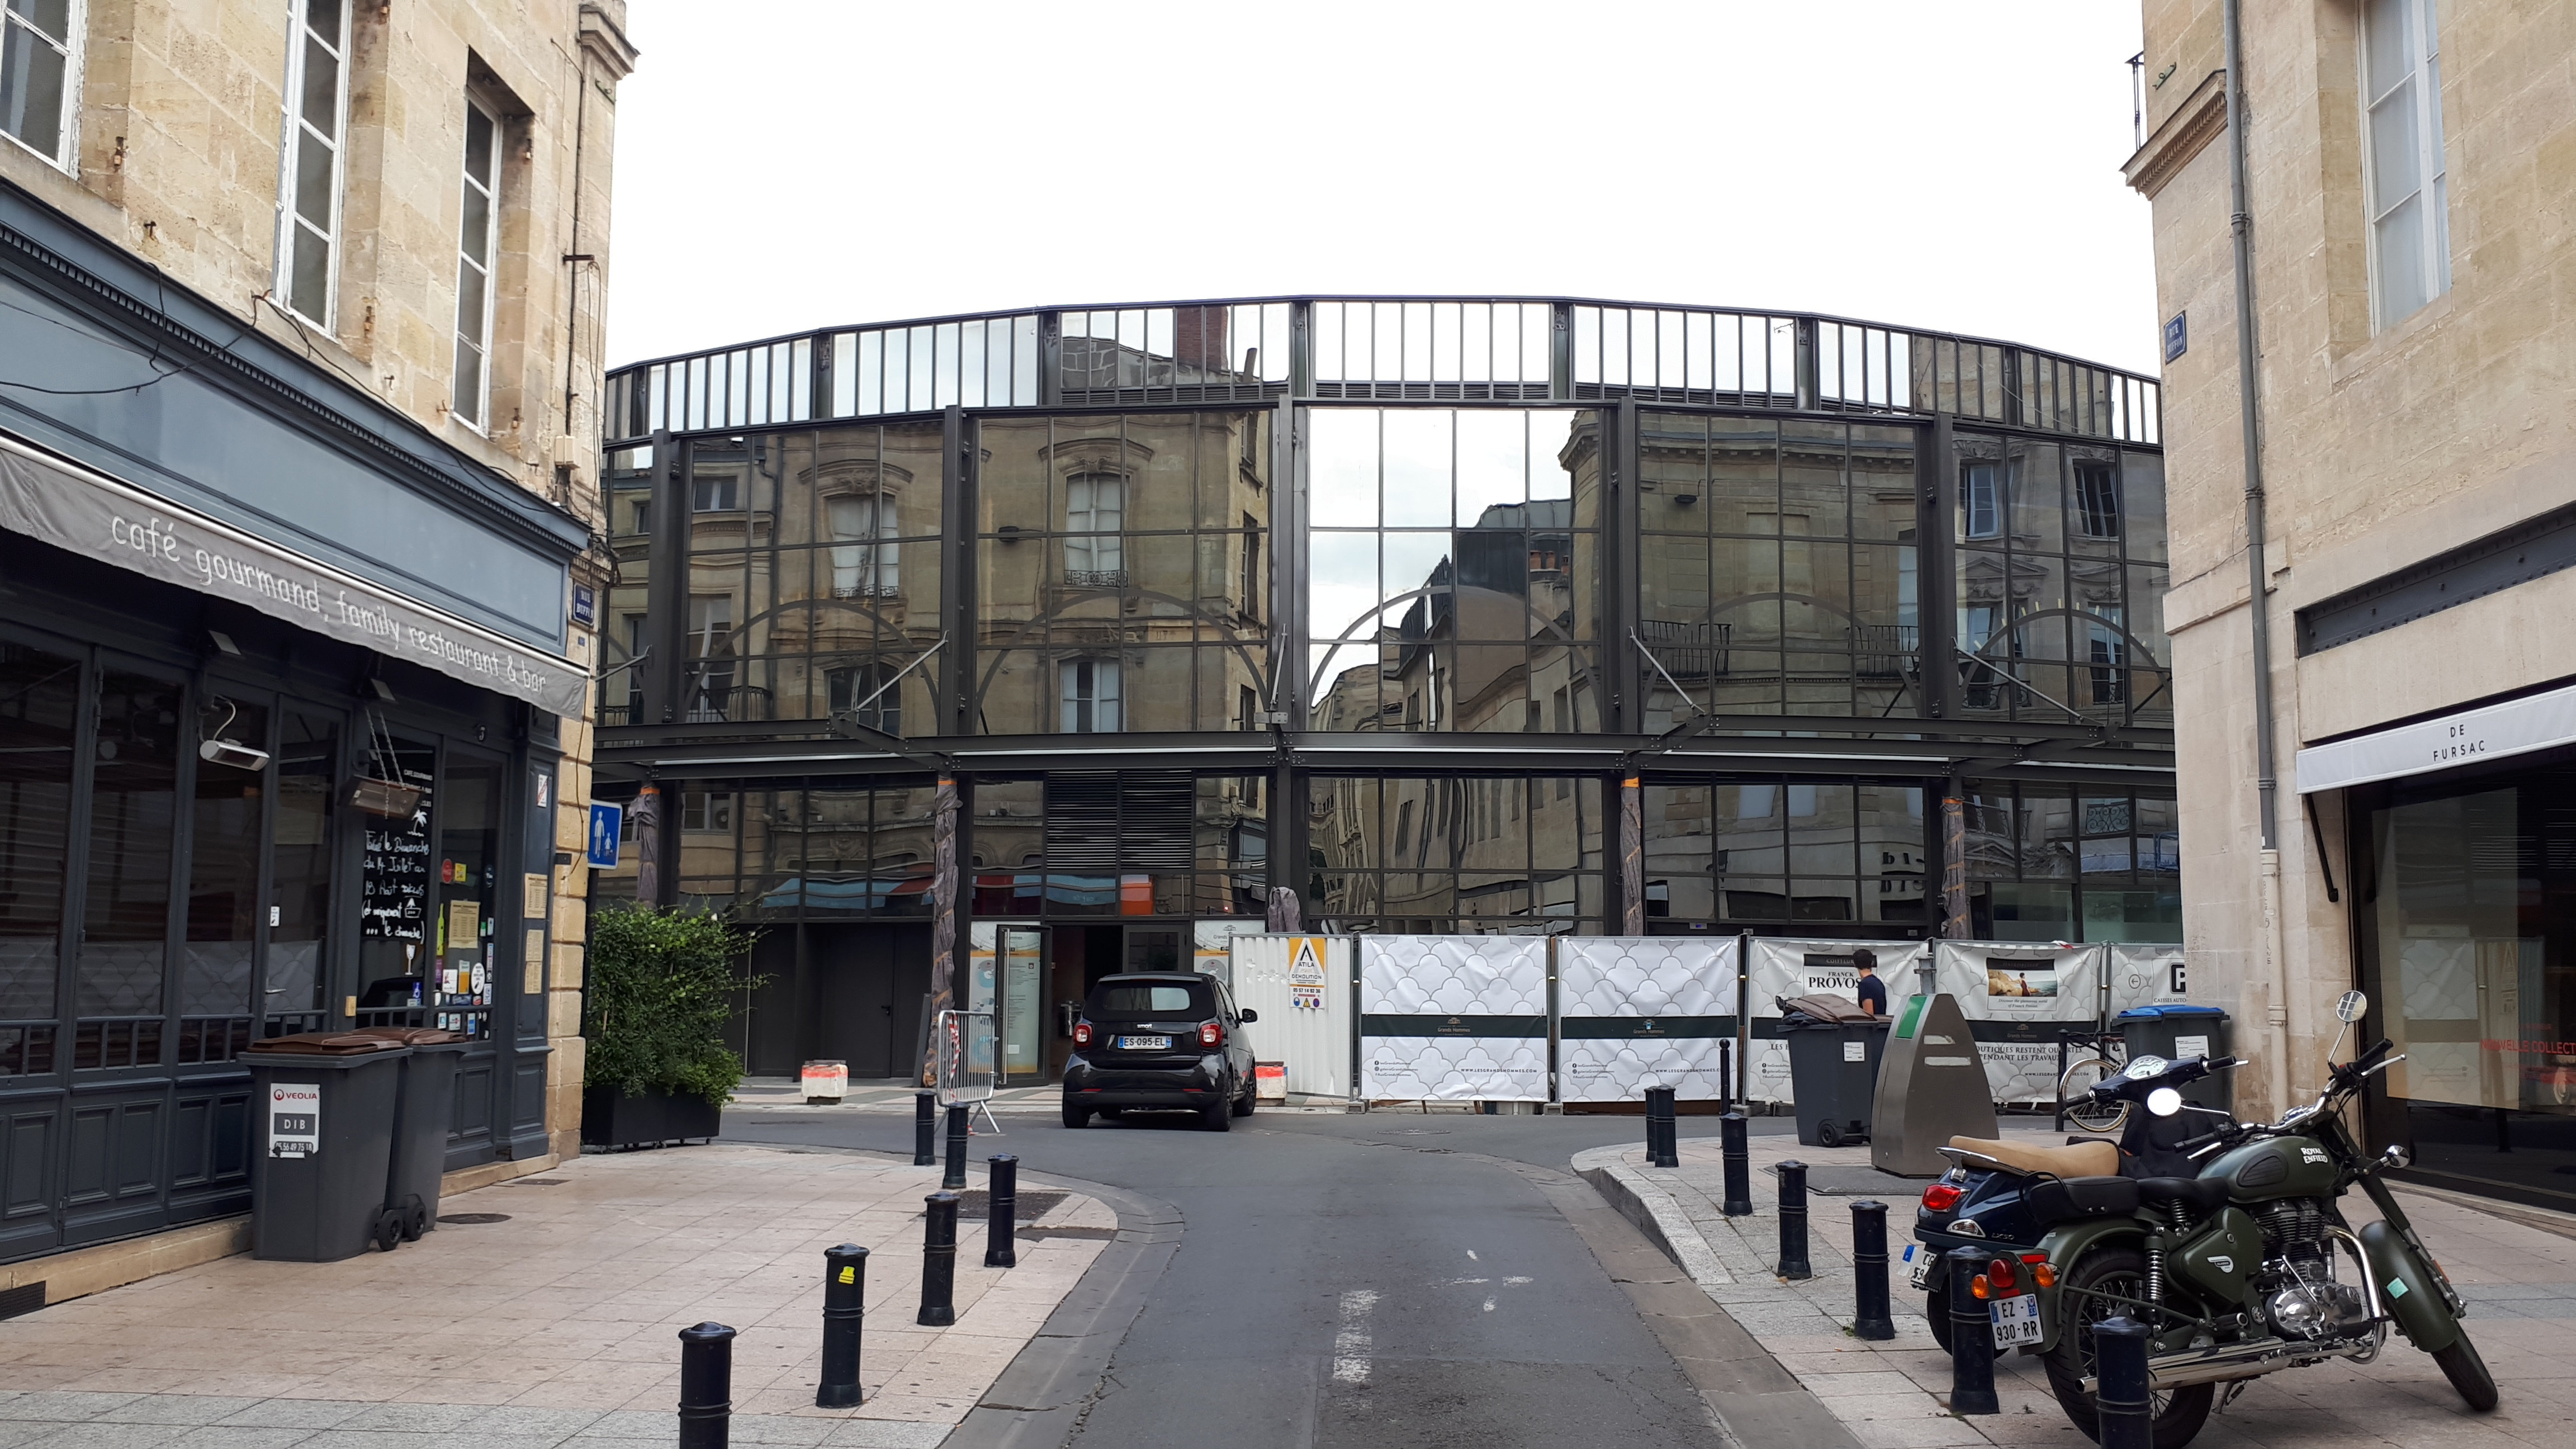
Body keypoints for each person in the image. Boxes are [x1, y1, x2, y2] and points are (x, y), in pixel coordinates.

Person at [1853, 950, 1887, 1018]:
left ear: (1854, 964)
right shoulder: (1878, 982)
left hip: (1874, 1024)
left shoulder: (1865, 984)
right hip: (1882, 1022)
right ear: (1872, 963)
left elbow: (1869, 1014)